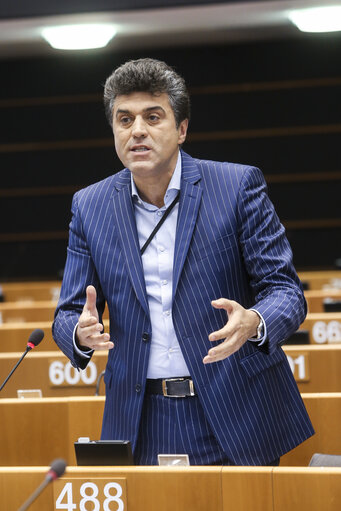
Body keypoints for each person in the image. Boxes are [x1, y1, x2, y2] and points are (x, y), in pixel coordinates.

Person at [53, 58, 314, 466]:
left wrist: (255, 321)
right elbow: (68, 313)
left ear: (182, 129)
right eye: (124, 119)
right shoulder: (90, 206)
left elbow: (285, 291)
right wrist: (79, 332)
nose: (137, 130)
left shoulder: (236, 185)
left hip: (234, 406)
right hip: (140, 415)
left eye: (152, 117)